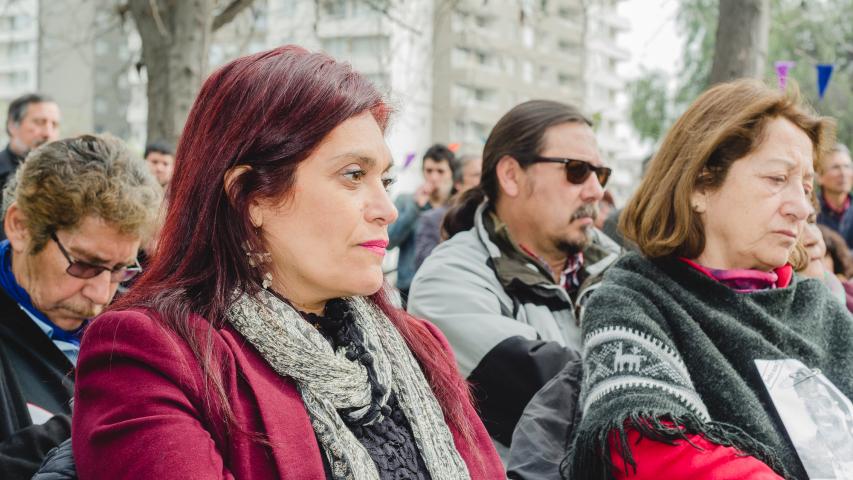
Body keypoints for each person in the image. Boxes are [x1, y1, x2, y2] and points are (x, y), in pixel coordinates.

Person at [71, 46, 503, 480]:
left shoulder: (419, 345)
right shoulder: (151, 355)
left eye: (386, 180)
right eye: (354, 175)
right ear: (250, 198)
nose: (387, 209)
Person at [563, 79, 841, 480]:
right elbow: (654, 451)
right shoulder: (634, 300)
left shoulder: (821, 309)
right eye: (777, 179)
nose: (801, 207)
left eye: (806, 187)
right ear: (700, 184)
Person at [408, 100, 620, 459]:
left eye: (600, 174)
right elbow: (554, 395)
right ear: (510, 175)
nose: (596, 191)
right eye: (577, 170)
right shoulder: (445, 280)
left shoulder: (620, 269)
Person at [0, 134, 160, 480]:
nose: (101, 295)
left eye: (121, 270)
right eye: (84, 265)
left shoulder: (140, 323)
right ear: (21, 227)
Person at [387, 144, 455, 303]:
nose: (434, 177)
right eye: (429, 170)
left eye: (440, 171)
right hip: (410, 286)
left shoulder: (456, 207)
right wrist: (415, 208)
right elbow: (389, 241)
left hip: (446, 285)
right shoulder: (406, 201)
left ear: (451, 173)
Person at [413, 153, 483, 270]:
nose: (485, 180)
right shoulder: (433, 218)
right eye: (477, 175)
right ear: (458, 183)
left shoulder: (492, 216)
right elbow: (423, 263)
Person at [0, 94, 61, 192]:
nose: (48, 133)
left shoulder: (65, 176)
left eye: (54, 125)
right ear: (12, 126)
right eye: (39, 122)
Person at [816, 143, 853, 244]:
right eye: (835, 167)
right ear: (819, 177)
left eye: (847, 166)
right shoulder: (811, 212)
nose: (843, 173)